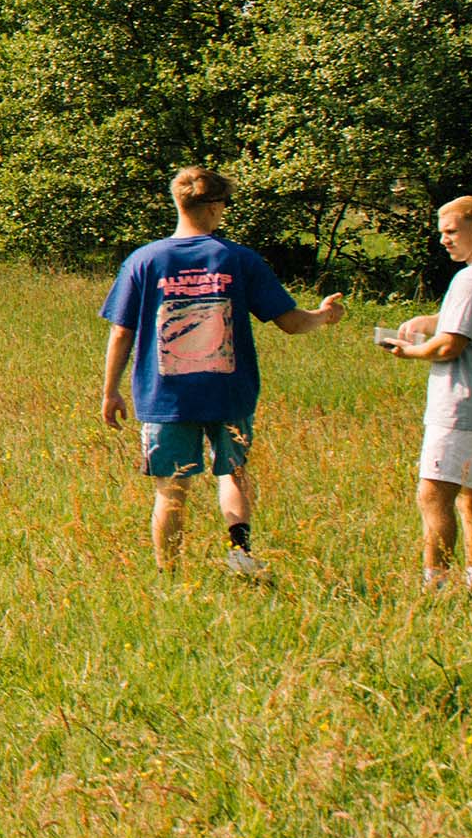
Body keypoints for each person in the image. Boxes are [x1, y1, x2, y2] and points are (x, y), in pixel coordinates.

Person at [98, 166, 345, 575]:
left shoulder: (144, 260)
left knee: (171, 489)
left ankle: (169, 576)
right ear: (213, 207)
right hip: (229, 393)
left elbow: (121, 332)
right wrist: (323, 316)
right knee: (233, 472)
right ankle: (240, 553)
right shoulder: (237, 259)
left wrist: (110, 391)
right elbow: (290, 322)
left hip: (166, 397)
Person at [382, 195, 472, 588]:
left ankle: (436, 585)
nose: (444, 239)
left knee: (433, 494)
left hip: (463, 404)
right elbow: (464, 320)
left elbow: (449, 346)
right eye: (441, 232)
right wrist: (428, 321)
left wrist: (407, 351)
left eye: (451, 231)